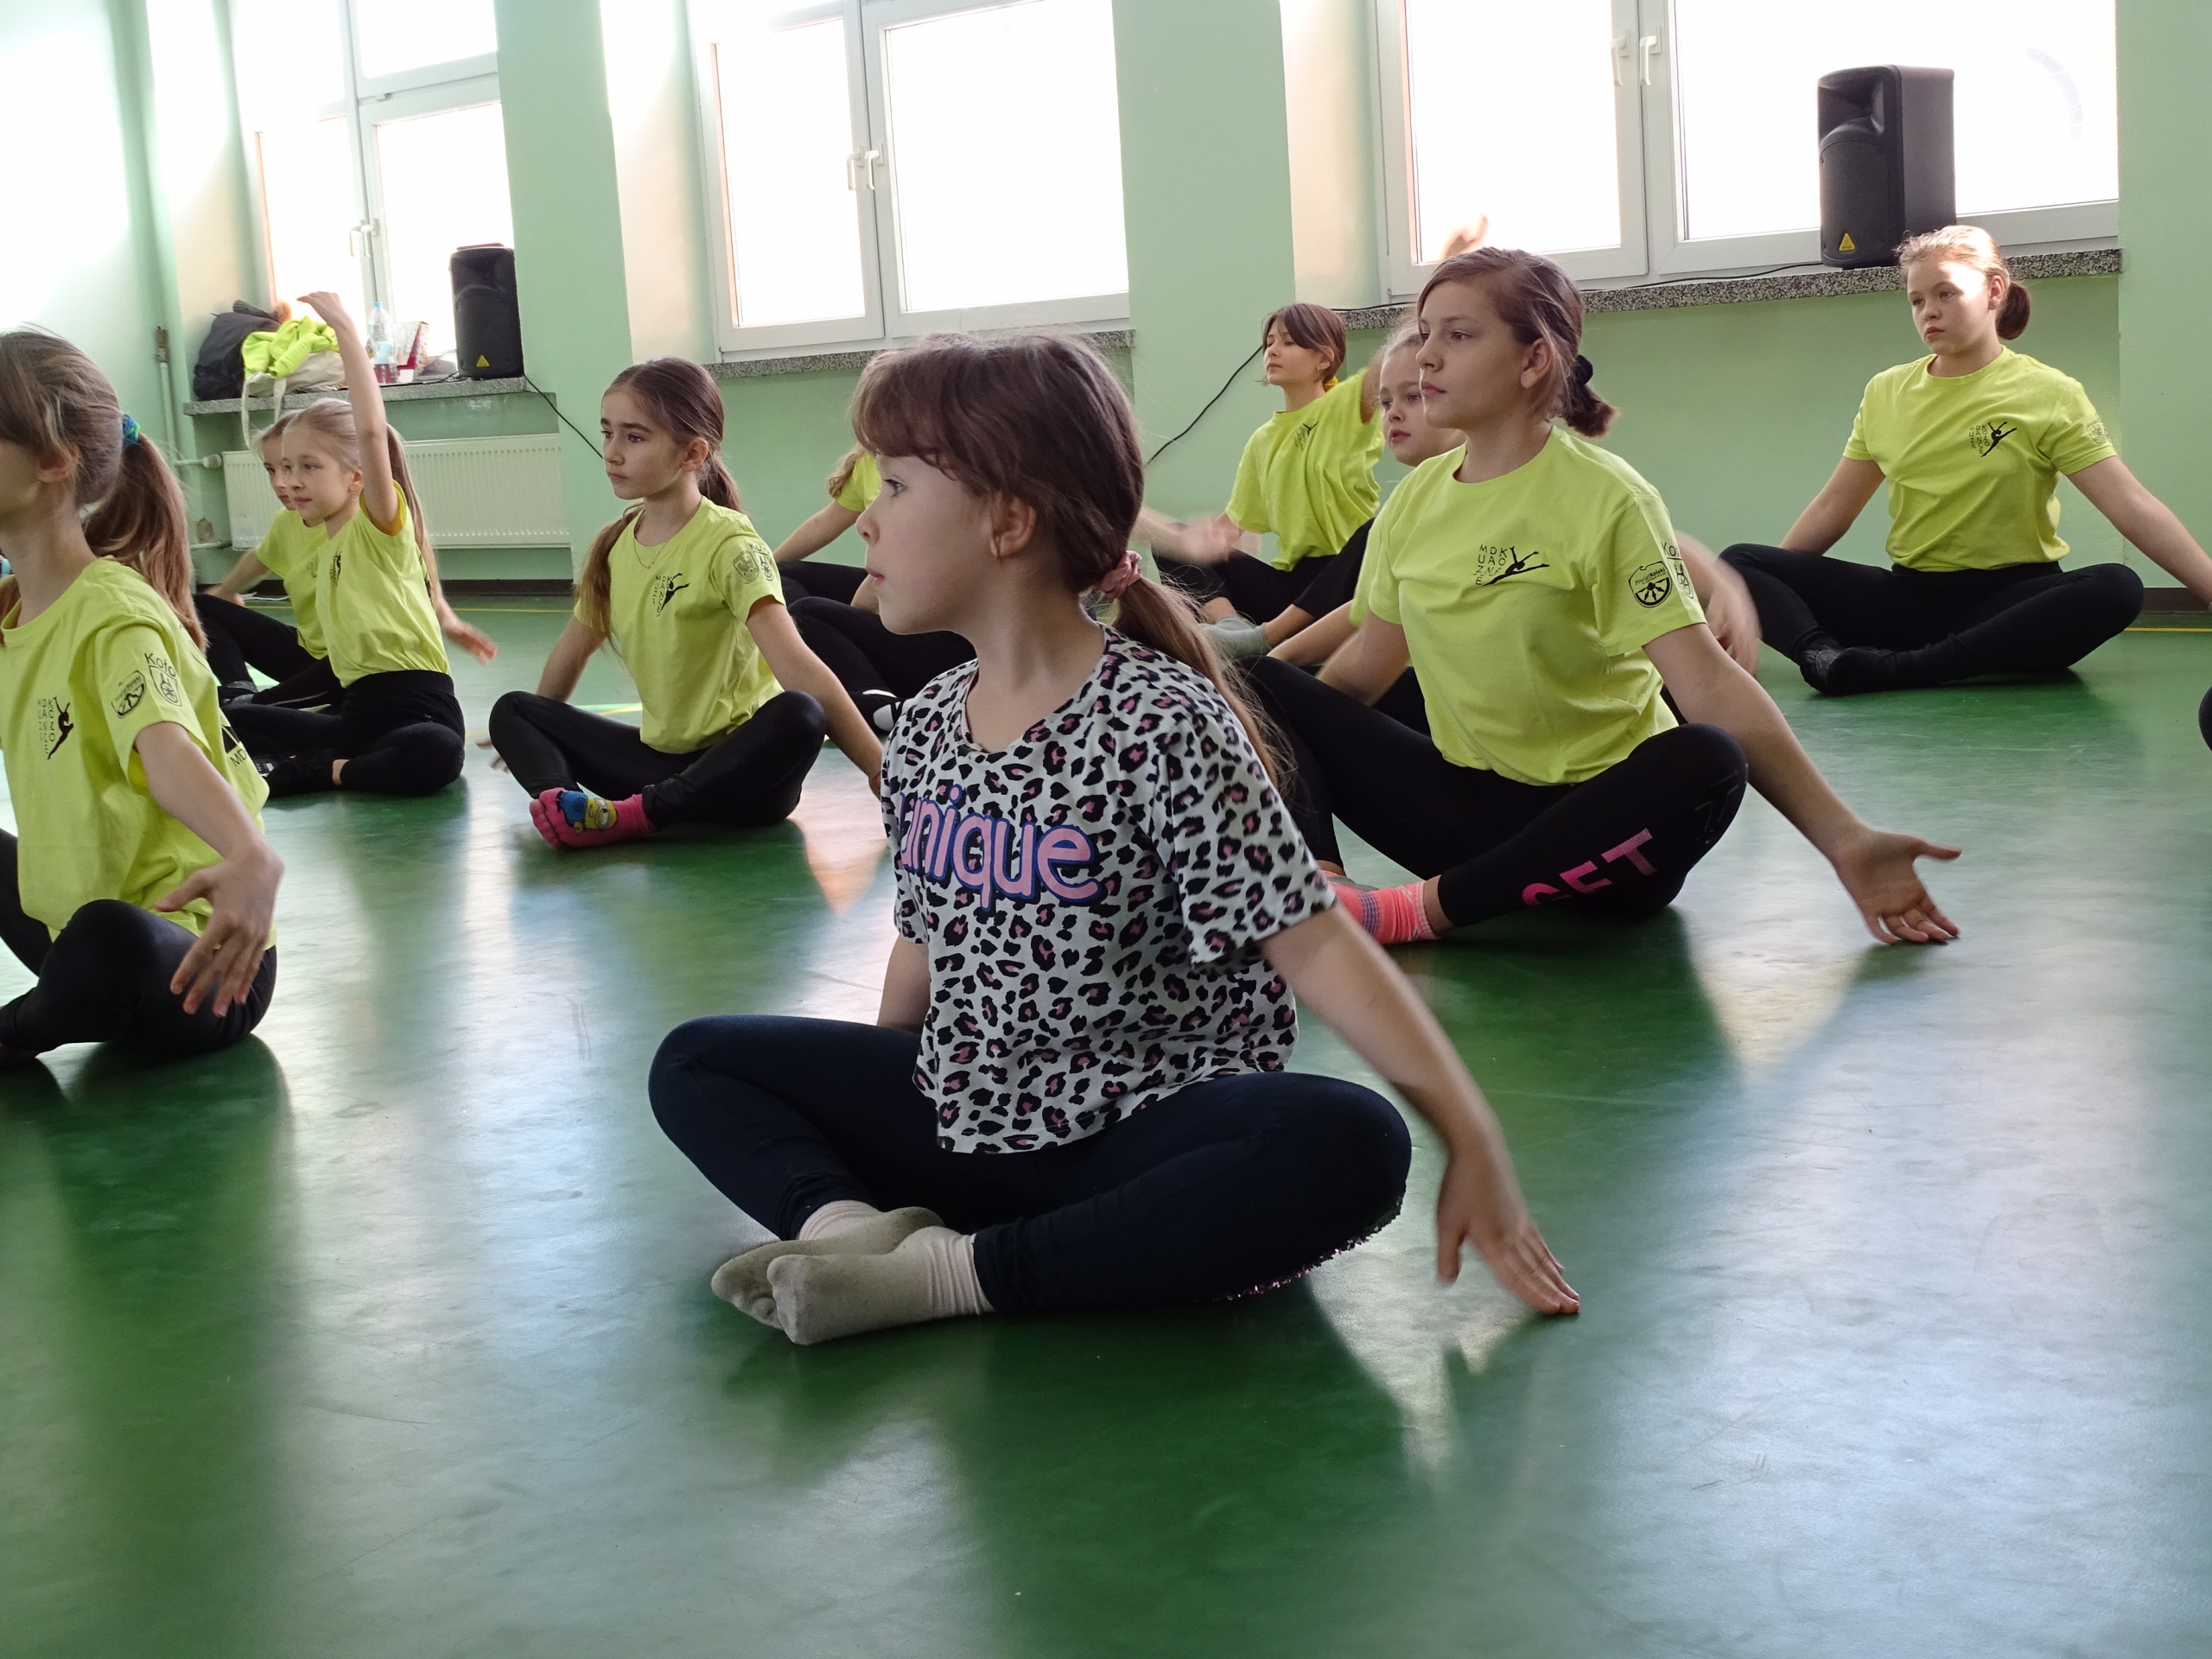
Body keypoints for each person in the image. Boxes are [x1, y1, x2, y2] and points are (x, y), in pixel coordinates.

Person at [649, 332, 1578, 1346]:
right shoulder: (925, 725)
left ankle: (956, 1275)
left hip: (1136, 1133)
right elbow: (921, 940)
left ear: (1008, 521)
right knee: (694, 1063)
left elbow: (1313, 942)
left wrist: (1472, 1136)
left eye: (899, 486)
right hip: (969, 1113)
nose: (866, 518)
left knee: (1348, 1141)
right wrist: (883, 1105)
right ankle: (857, 1236)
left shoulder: (1157, 719)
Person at [1248, 248, 1961, 948]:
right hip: (1468, 814)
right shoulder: (1413, 503)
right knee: (1256, 683)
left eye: (1458, 335)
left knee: (1706, 758)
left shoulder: (1607, 497)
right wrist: (1285, 741)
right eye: (1427, 333)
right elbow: (1357, 676)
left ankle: (1412, 913)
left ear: (1534, 360)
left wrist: (1846, 838)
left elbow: (1708, 683)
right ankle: (1321, 889)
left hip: (1609, 838)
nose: (1427, 356)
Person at [1721, 225, 2212, 695]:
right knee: (1738, 563)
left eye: (1946, 293)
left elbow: (2131, 505)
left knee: (2117, 586)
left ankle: (1904, 670)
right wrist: (1761, 591)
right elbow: (1833, 508)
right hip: (1909, 602)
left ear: (1994, 291)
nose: (1928, 312)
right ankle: (1824, 660)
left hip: (2012, 608)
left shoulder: (2050, 393)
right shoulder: (1885, 391)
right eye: (1917, 300)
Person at [0, 328, 280, 1060]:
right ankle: (63, 995)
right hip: (71, 936)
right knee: (87, 936)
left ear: (54, 461)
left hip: (198, 962)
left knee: (108, 936)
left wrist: (249, 854)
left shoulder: (113, 612)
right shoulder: (13, 615)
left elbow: (168, 753)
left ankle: (22, 1027)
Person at [486, 358, 882, 849]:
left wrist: (879, 770)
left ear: (692, 453)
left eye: (634, 437)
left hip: (746, 777)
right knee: (514, 711)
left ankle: (638, 816)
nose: (612, 453)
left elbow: (800, 668)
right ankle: (572, 810)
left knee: (800, 713)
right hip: (657, 766)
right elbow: (572, 650)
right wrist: (537, 739)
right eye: (608, 433)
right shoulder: (614, 547)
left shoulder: (730, 544)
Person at [225, 294, 497, 797]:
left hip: (418, 709)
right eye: (285, 467)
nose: (291, 481)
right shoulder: (321, 546)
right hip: (356, 714)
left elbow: (371, 433)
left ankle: (322, 770)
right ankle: (330, 762)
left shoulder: (377, 528)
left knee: (435, 752)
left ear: (355, 478)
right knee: (229, 721)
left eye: (309, 467)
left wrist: (346, 331)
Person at [1147, 302, 1383, 651]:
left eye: (1288, 342)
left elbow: (1390, 364)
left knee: (1374, 537)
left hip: (1347, 580)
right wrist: (1201, 537)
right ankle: (1232, 631)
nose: (1272, 350)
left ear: (1323, 358)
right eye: (1269, 342)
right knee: (1170, 543)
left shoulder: (1345, 407)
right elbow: (1231, 526)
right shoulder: (1262, 440)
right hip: (1292, 588)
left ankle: (1266, 639)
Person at [194, 412, 344, 709]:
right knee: (199, 606)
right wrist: (225, 592)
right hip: (308, 655)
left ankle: (254, 706)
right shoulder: (288, 521)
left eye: (290, 468)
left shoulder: (358, 523)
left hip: (349, 667)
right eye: (271, 470)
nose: (280, 482)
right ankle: (239, 687)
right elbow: (261, 557)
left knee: (251, 714)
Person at [766, 447, 875, 603]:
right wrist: (764, 570)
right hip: (880, 579)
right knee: (779, 575)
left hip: (902, 582)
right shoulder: (868, 461)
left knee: (808, 608)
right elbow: (823, 525)